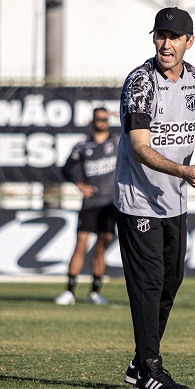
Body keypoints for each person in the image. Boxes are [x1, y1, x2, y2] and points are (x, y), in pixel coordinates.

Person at [115, 6, 195, 389]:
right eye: (160, 35)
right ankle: (149, 368)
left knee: (171, 281)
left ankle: (139, 362)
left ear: (188, 42)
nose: (166, 43)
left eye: (174, 37)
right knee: (149, 282)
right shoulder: (140, 81)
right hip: (138, 200)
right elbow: (140, 147)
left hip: (175, 201)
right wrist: (185, 172)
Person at [54, 107, 118, 306]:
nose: (102, 122)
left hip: (111, 202)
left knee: (102, 244)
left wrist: (121, 116)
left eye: (105, 119)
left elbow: (138, 134)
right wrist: (79, 184)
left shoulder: (116, 142)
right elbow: (66, 168)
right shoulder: (82, 146)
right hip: (91, 203)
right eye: (99, 118)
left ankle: (95, 291)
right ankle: (69, 291)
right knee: (81, 243)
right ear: (93, 121)